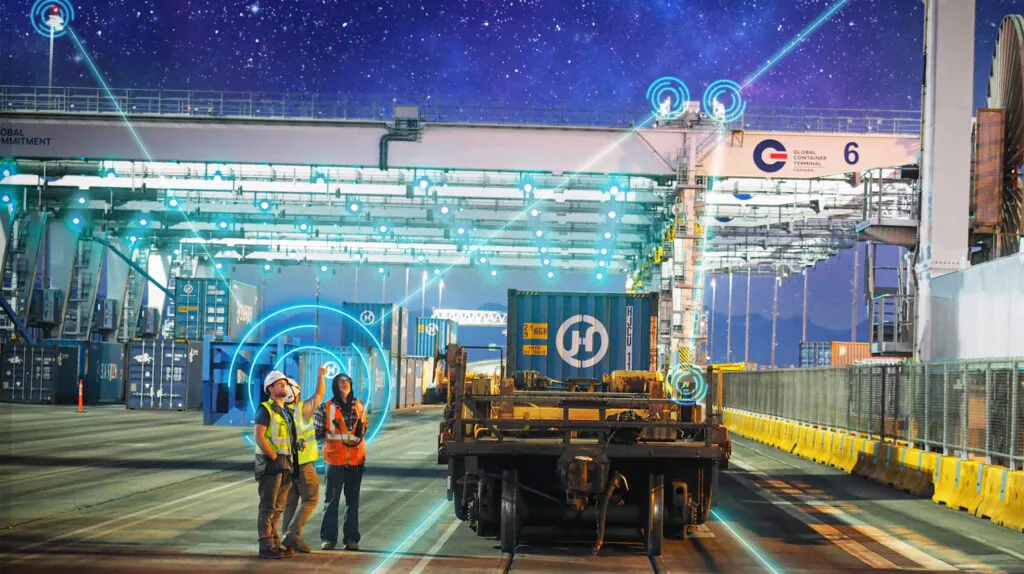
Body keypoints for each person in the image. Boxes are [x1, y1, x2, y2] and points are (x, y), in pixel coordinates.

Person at [314, 373, 367, 551]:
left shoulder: (360, 405)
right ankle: (328, 538)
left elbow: (363, 429)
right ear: (335, 386)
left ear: (351, 384)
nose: (344, 384)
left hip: (356, 461)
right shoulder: (326, 408)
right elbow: (316, 432)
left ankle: (351, 539)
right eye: (340, 381)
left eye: (346, 381)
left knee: (353, 501)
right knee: (331, 500)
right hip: (334, 460)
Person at [279, 365, 327, 553]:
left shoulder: (278, 412)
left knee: (290, 501)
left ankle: (286, 539)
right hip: (304, 463)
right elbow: (319, 395)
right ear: (295, 394)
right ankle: (293, 534)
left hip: (286, 464)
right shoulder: (302, 410)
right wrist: (321, 375)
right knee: (311, 498)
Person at [254, 371, 299, 559]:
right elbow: (259, 436)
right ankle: (265, 546)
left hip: (286, 464)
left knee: (279, 507)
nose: (284, 386)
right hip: (270, 465)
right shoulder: (265, 409)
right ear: (270, 388)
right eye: (280, 384)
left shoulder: (286, 411)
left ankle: (275, 543)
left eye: (285, 383)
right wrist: (273, 456)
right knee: (268, 507)